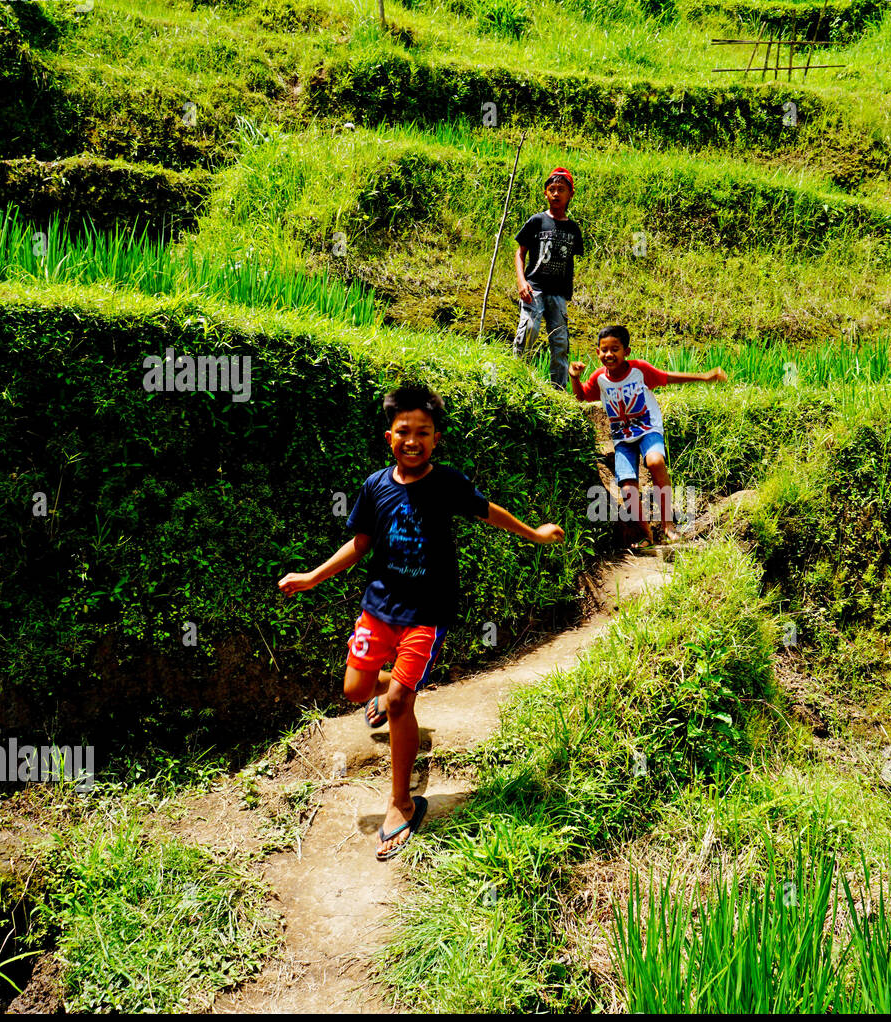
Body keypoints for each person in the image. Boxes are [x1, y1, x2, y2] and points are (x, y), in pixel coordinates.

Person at [278, 386, 564, 860]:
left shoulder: (446, 482)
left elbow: (487, 511)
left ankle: (401, 802)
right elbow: (361, 542)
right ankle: (391, 692)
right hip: (379, 608)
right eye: (404, 432)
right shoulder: (375, 486)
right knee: (355, 691)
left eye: (423, 433)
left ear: (436, 439)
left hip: (426, 615)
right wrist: (312, 577)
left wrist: (533, 533)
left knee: (397, 704)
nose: (413, 441)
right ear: (389, 435)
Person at [569, 325, 727, 547]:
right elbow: (582, 396)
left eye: (615, 349)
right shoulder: (599, 378)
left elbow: (666, 378)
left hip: (648, 428)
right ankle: (646, 534)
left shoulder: (639, 370)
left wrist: (703, 377)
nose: (609, 354)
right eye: (604, 350)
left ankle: (668, 525)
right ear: (597, 352)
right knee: (627, 489)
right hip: (622, 437)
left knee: (655, 461)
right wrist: (574, 377)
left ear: (627, 351)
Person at [513, 167, 584, 390]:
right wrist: (521, 281)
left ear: (570, 194)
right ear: (545, 193)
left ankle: (559, 389)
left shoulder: (573, 229)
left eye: (561, 189)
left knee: (560, 340)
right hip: (534, 287)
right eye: (551, 189)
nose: (555, 193)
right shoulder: (537, 221)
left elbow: (569, 261)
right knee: (530, 328)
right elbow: (520, 252)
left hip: (558, 292)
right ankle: (517, 377)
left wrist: (568, 289)